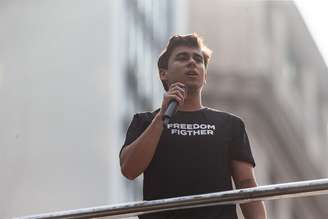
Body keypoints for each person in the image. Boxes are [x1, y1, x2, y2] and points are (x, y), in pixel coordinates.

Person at [119, 33, 267, 219]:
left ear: (204, 76)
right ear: (163, 73)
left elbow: (246, 184)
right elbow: (129, 169)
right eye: (182, 58)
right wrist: (161, 118)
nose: (192, 63)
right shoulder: (145, 121)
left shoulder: (230, 125)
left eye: (198, 59)